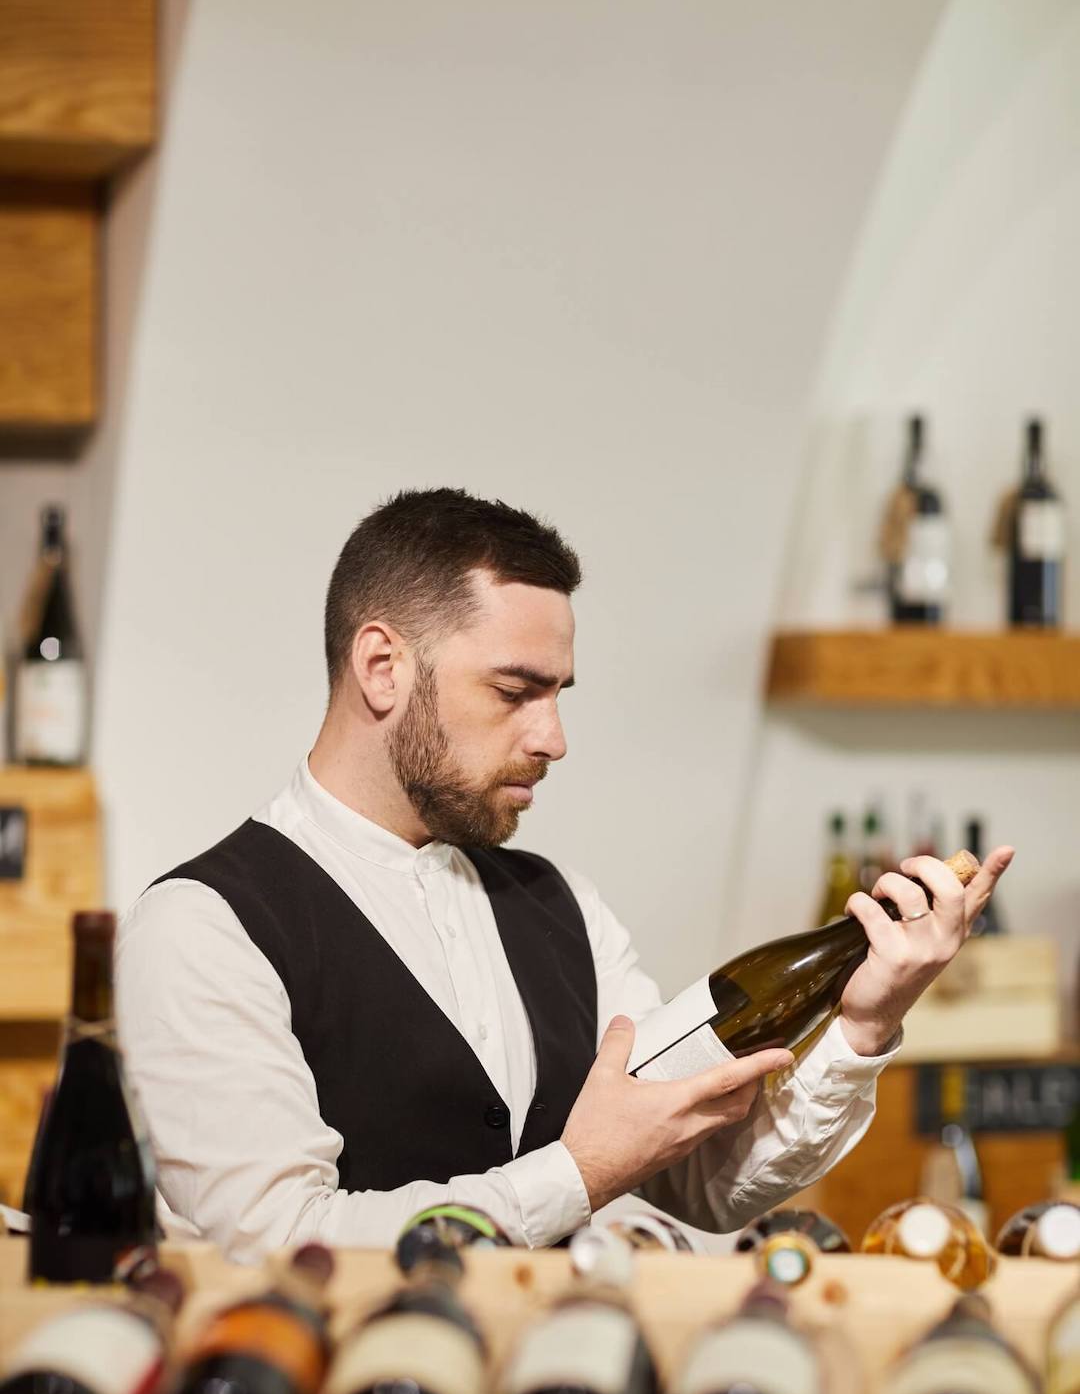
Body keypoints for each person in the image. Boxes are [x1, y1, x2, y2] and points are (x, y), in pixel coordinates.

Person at [118, 489, 1012, 1261]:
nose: (553, 739)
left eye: (558, 696)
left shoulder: (561, 907)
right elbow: (276, 1244)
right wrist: (577, 1174)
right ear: (382, 667)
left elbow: (704, 1180)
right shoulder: (205, 925)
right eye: (514, 692)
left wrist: (864, 1020)